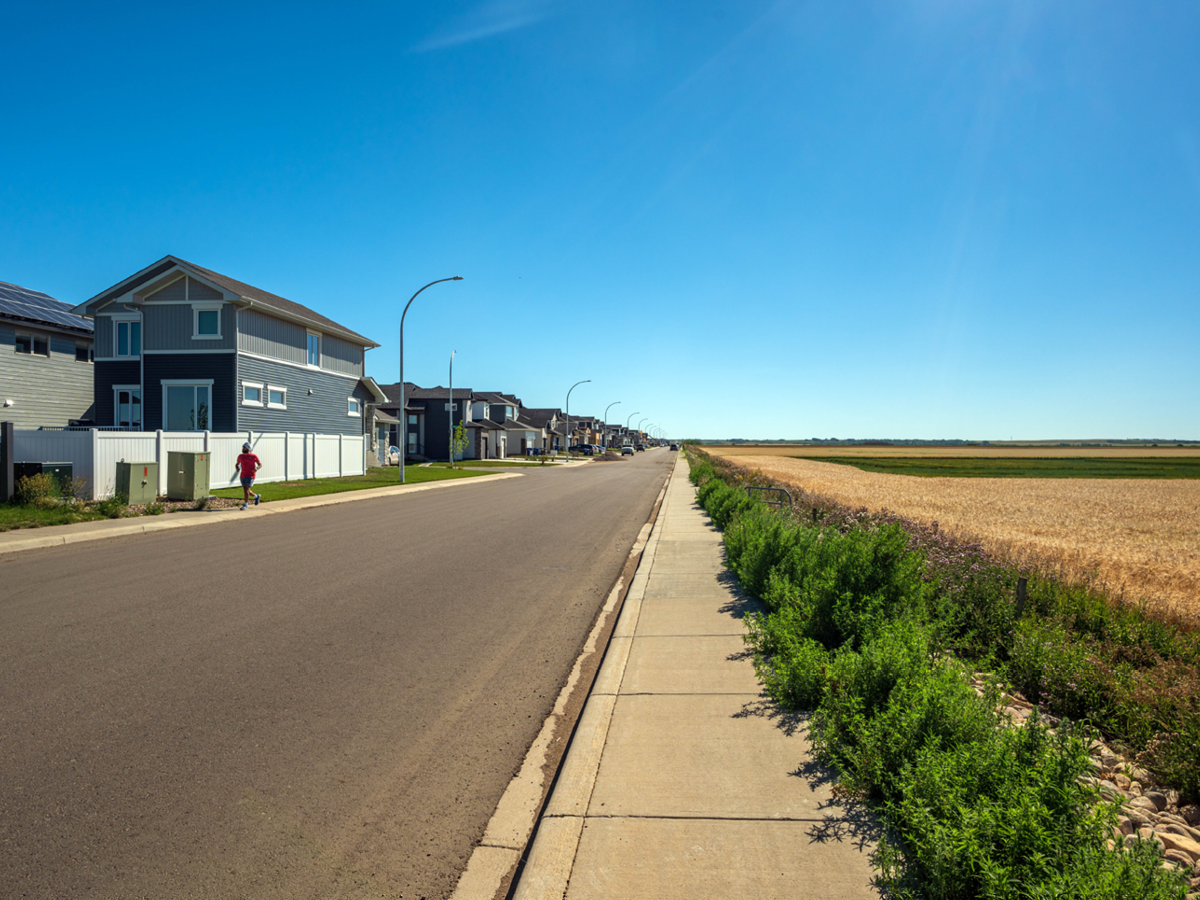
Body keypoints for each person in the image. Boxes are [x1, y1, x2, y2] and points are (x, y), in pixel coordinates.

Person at [235, 441, 261, 510]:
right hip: (243, 475)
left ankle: (246, 504)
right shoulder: (240, 456)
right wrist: (237, 468)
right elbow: (237, 463)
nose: (243, 449)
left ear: (248, 449)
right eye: (243, 447)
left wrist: (257, 468)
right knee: (247, 490)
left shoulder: (253, 456)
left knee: (246, 488)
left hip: (251, 475)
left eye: (244, 448)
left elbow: (260, 464)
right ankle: (256, 496)